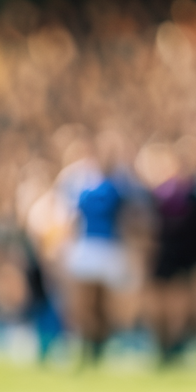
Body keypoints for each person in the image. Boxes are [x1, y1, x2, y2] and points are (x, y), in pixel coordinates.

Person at [137, 142, 196, 363]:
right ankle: (162, 346)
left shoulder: (193, 196)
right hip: (160, 256)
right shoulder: (155, 196)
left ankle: (174, 345)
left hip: (183, 257)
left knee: (179, 306)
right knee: (157, 304)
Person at [60, 136, 133, 362]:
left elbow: (130, 218)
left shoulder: (121, 185)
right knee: (83, 303)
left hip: (110, 247)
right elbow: (72, 217)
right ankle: (85, 344)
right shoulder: (81, 182)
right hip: (87, 247)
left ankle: (101, 345)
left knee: (105, 304)